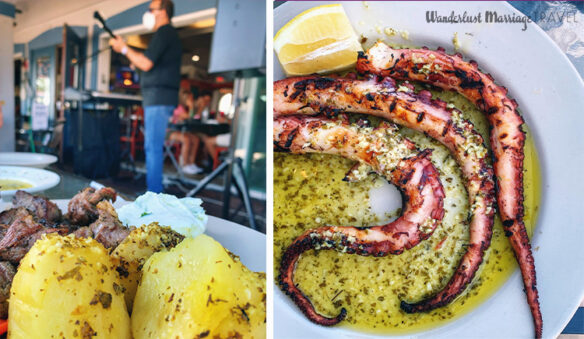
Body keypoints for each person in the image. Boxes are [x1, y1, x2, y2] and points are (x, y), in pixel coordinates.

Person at [109, 0, 181, 193]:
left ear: (163, 12)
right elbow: (149, 66)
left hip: (159, 99)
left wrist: (123, 48)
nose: (148, 13)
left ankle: (154, 193)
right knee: (153, 147)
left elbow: (146, 63)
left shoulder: (164, 32)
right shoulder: (167, 35)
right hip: (157, 98)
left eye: (151, 9)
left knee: (153, 148)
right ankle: (154, 190)